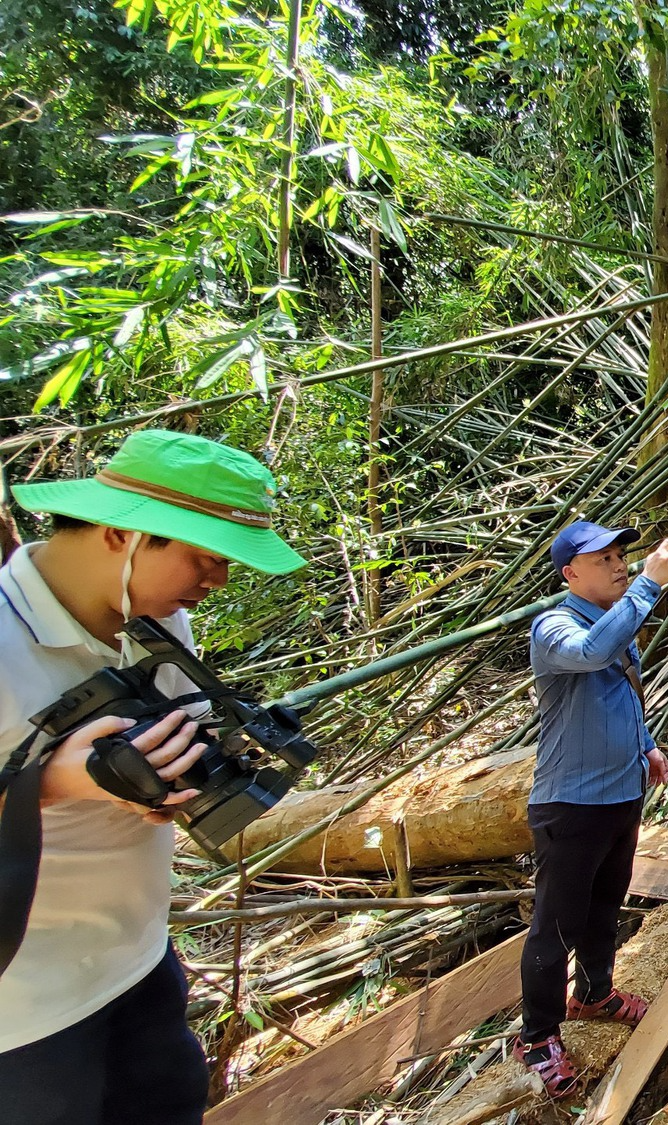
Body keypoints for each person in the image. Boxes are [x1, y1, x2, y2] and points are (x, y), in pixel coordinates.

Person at [0, 429, 308, 1124]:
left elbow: (180, 744)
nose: (219, 580)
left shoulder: (158, 622)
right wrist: (55, 780)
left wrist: (168, 786)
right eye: (205, 557)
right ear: (121, 534)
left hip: (137, 958)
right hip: (23, 1011)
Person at [514, 520, 668, 1094]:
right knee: (555, 926)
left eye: (622, 554)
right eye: (603, 559)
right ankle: (537, 1037)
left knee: (604, 906)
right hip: (571, 805)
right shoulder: (555, 626)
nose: (619, 564)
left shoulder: (617, 621)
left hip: (622, 794)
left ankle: (594, 995)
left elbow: (622, 686)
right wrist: (647, 584)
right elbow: (593, 656)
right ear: (570, 574)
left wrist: (646, 746)